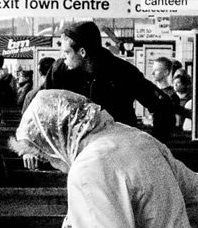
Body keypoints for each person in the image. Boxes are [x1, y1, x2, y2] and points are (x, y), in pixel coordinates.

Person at [9, 89, 198, 228]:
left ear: (54, 141)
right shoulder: (137, 137)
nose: (55, 165)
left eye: (47, 157)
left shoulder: (88, 168)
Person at [44, 21, 175, 142]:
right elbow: (42, 108)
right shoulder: (60, 71)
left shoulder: (123, 72)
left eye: (67, 52)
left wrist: (154, 143)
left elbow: (163, 106)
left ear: (82, 52)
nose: (62, 58)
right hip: (76, 149)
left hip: (117, 149)